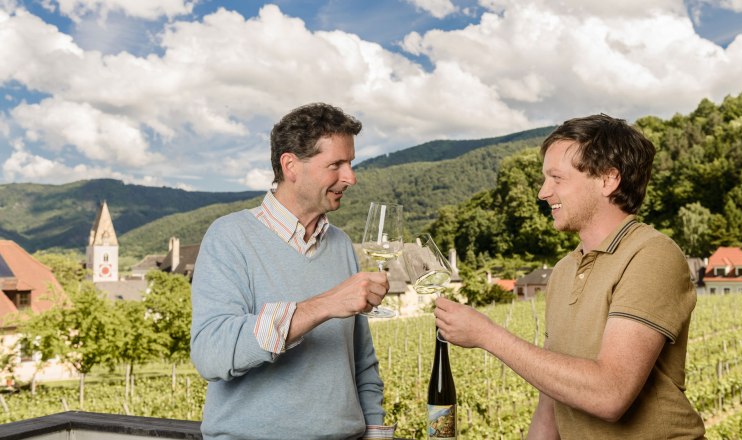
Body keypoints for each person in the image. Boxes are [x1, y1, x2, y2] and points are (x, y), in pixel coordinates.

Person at [434, 114, 706, 439]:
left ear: (608, 179)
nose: (542, 192)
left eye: (556, 178)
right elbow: (551, 399)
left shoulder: (652, 255)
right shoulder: (563, 271)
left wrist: (487, 335)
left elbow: (610, 394)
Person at [190, 103, 395, 440]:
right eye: (336, 165)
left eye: (351, 163)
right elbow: (212, 354)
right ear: (291, 166)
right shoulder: (229, 237)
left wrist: (375, 432)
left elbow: (362, 362)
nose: (351, 178)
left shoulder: (341, 245)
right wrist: (325, 305)